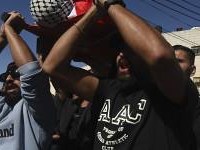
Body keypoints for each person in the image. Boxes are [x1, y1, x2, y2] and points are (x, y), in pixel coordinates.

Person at [42, 1, 198, 149]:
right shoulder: (109, 89)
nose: (122, 55)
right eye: (119, 49)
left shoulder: (171, 91)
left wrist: (111, 4)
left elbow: (160, 56)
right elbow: (52, 67)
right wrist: (92, 13)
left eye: (131, 49)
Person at [0, 11, 56, 150]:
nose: (8, 79)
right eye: (6, 75)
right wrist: (2, 37)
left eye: (16, 74)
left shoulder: (39, 108)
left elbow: (31, 72)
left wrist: (9, 30)